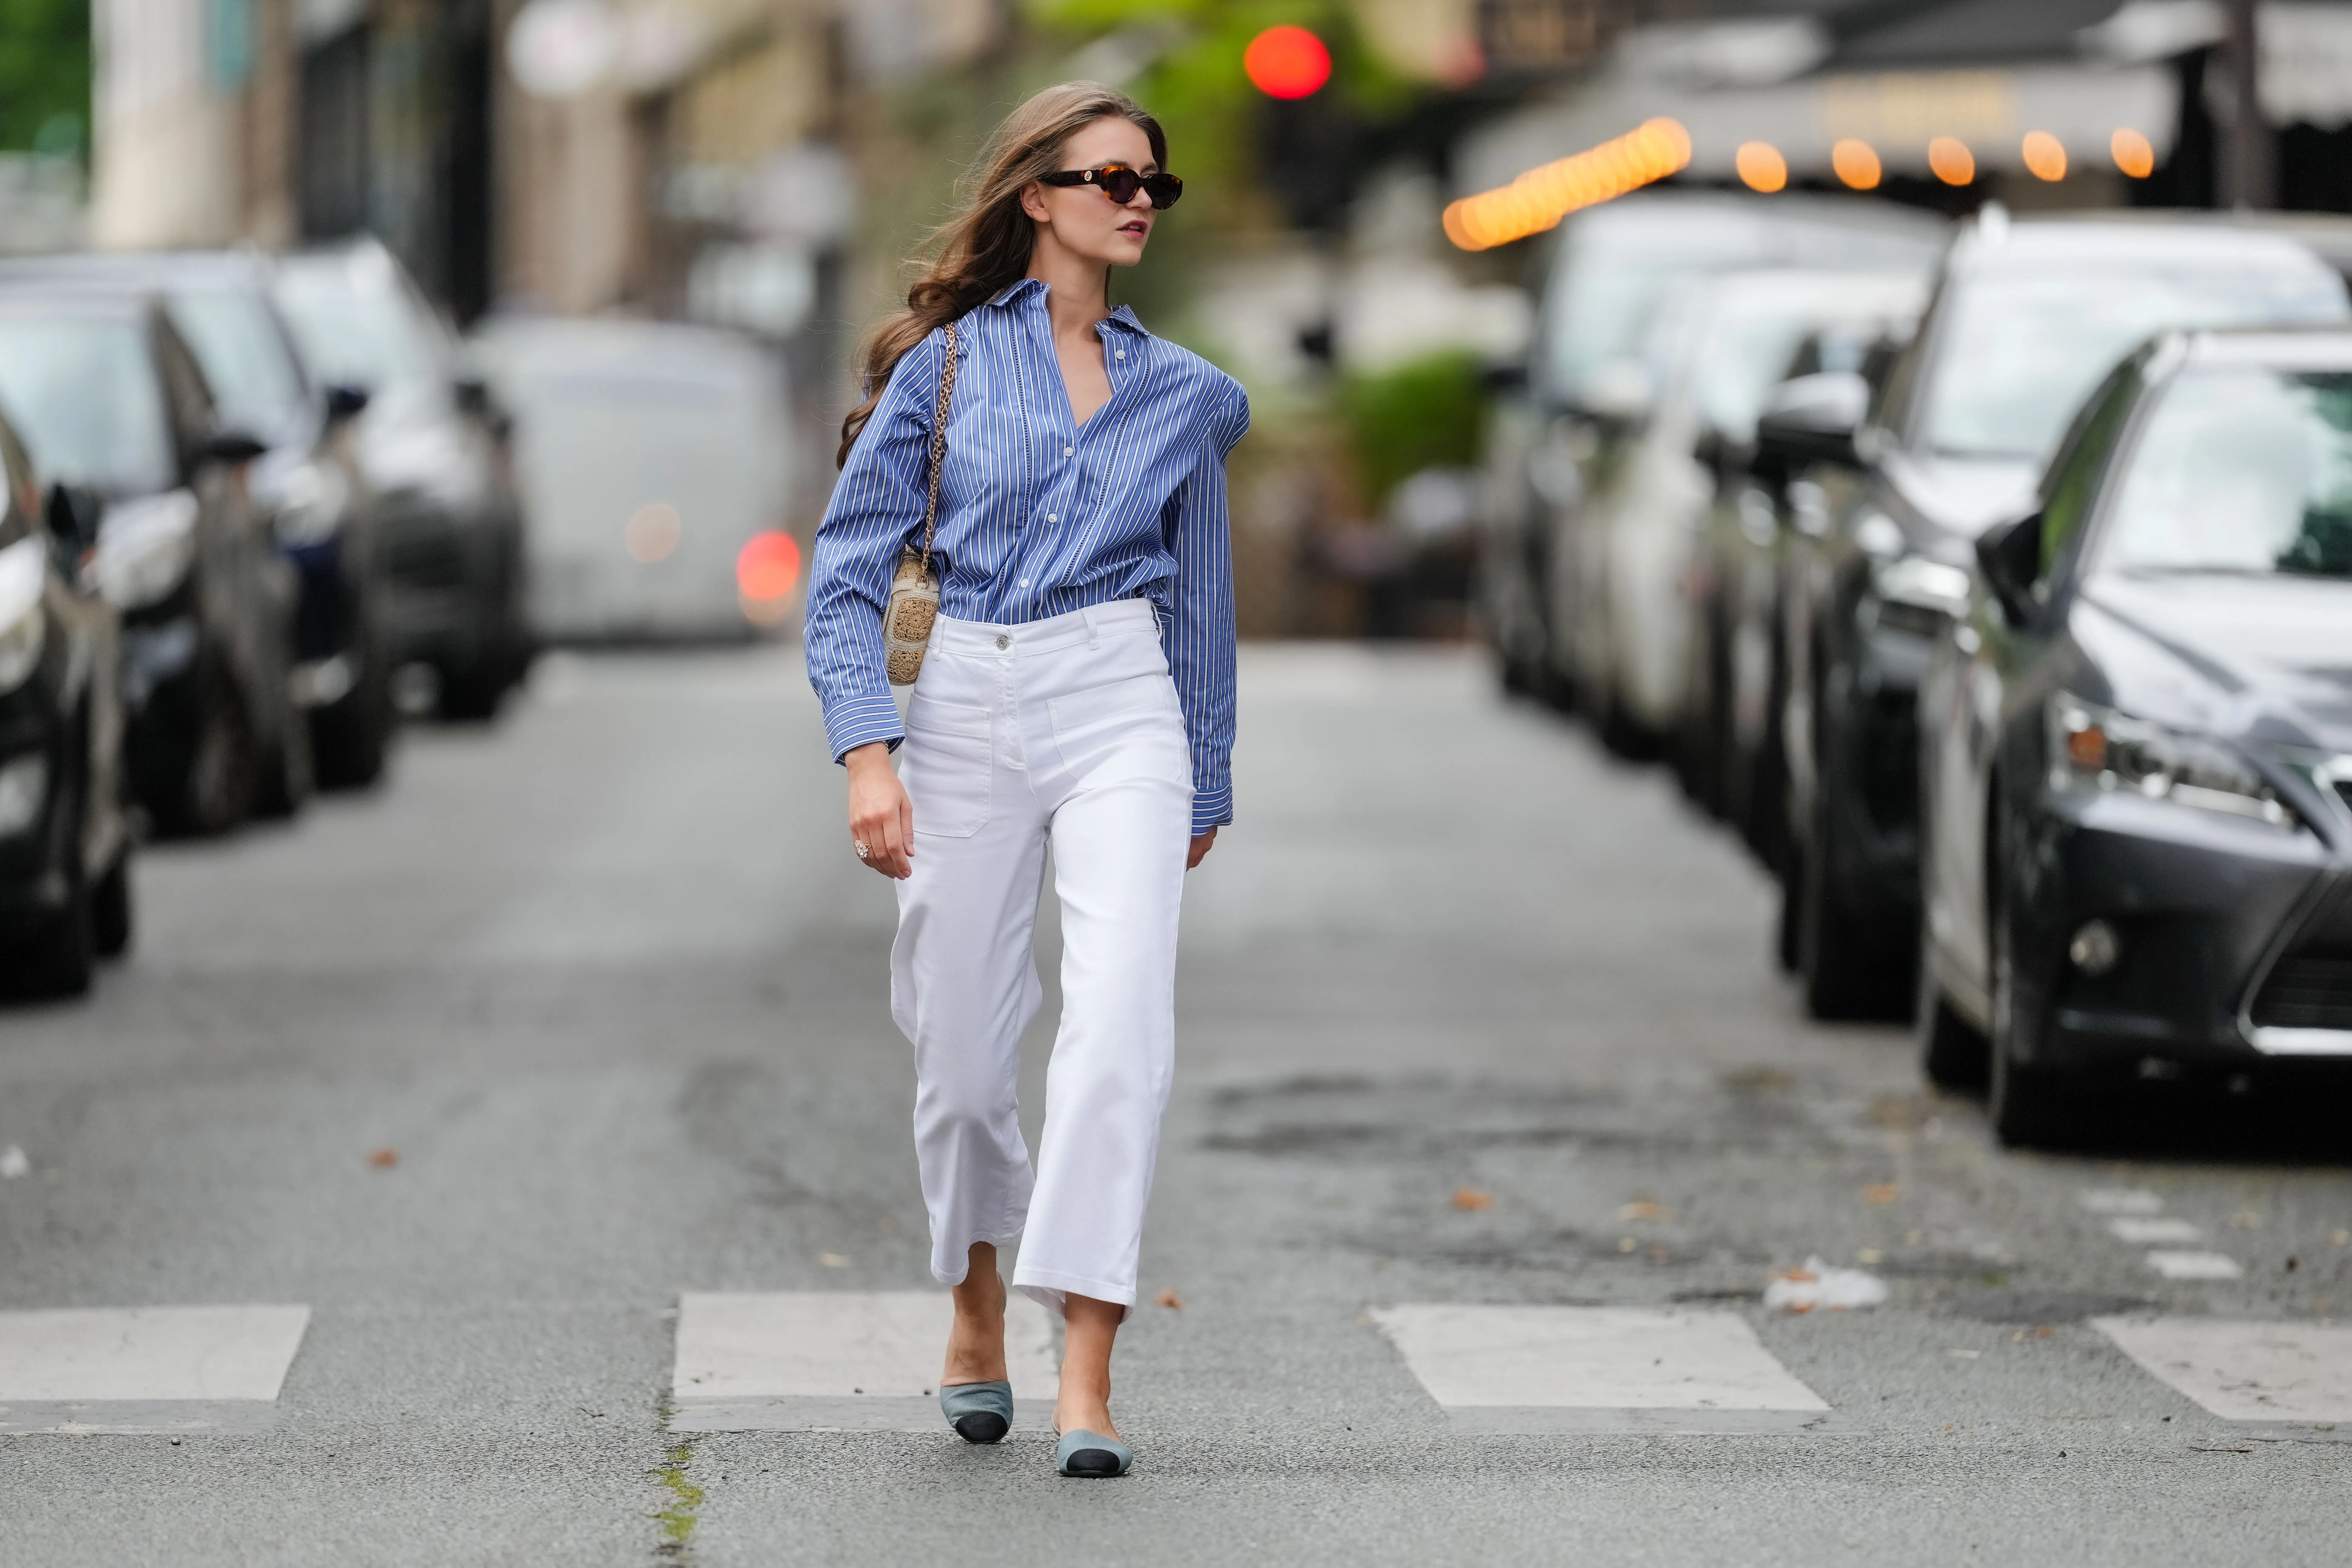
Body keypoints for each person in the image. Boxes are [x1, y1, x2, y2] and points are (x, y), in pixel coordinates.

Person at [802, 82, 1246, 1479]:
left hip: (1120, 700)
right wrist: (866, 750)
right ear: (1034, 198)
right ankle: (977, 1309)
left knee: (1119, 1022)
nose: (1135, 201)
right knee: (961, 1050)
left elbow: (1201, 611)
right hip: (967, 699)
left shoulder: (1189, 398)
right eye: (1107, 177)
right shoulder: (941, 372)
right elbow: (843, 577)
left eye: (1151, 184)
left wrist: (1205, 782)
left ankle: (1089, 1371)